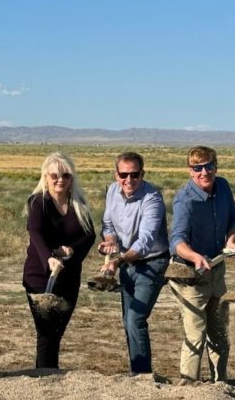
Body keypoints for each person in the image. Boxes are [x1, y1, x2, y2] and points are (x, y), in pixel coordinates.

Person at [168, 146, 235, 384]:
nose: (204, 172)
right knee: (196, 333)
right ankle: (188, 386)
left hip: (217, 268)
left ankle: (221, 386)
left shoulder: (223, 187)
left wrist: (231, 240)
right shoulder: (185, 200)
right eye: (197, 168)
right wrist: (194, 256)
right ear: (190, 171)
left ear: (216, 166)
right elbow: (176, 241)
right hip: (189, 274)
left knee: (219, 332)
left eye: (209, 166)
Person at [23, 152, 95, 369]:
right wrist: (49, 259)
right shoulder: (38, 202)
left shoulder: (78, 204)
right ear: (45, 177)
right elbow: (34, 232)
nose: (60, 180)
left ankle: (46, 373)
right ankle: (45, 377)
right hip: (40, 277)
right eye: (54, 175)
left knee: (57, 331)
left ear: (72, 178)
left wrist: (72, 250)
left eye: (65, 175)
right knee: (46, 333)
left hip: (69, 278)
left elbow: (89, 235)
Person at [99, 152, 169, 374]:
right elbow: (108, 224)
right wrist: (109, 243)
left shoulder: (152, 199)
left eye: (134, 174)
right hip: (127, 263)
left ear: (142, 174)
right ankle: (136, 372)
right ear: (116, 174)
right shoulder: (112, 191)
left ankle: (142, 376)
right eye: (123, 174)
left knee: (135, 318)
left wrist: (117, 259)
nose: (129, 180)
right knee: (128, 320)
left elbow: (145, 241)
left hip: (152, 262)